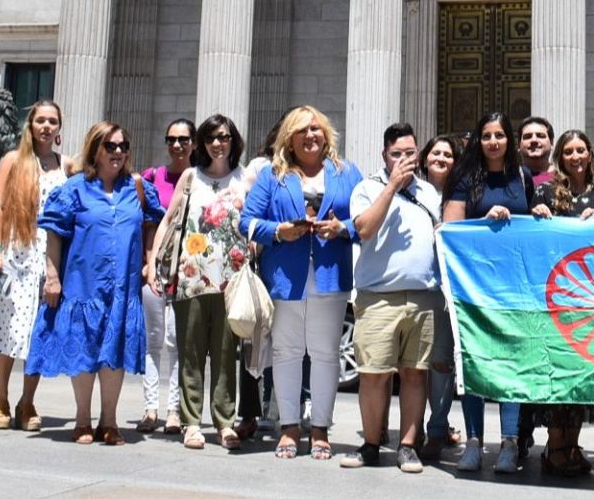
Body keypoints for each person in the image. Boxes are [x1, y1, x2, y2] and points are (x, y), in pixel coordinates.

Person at [25, 121, 164, 446]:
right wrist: (52, 275)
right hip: (82, 285)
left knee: (113, 353)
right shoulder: (74, 189)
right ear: (95, 150)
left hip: (122, 287)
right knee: (84, 351)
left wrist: (149, 261)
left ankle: (110, 421)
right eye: (110, 146)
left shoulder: (137, 187)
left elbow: (152, 224)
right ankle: (83, 418)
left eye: (123, 146)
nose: (118, 152)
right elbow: (55, 234)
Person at [242, 105, 362, 461]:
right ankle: (290, 427)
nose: (311, 136)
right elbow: (246, 220)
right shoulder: (272, 175)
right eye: (302, 131)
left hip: (331, 275)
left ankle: (321, 428)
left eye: (316, 129)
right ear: (289, 140)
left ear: (326, 134)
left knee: (326, 355)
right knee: (287, 352)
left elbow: (365, 219)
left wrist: (342, 229)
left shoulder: (346, 173)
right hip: (284, 277)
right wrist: (279, 231)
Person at [338, 122, 444, 474]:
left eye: (410, 153)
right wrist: (393, 187)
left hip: (423, 296)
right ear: (384, 155)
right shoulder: (367, 188)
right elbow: (364, 229)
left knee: (415, 374)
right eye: (397, 154)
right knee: (374, 374)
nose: (405, 159)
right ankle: (371, 444)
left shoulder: (430, 192)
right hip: (378, 296)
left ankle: (408, 445)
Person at [146, 114, 251, 451]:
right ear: (202, 144)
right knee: (190, 353)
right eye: (210, 138)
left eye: (223, 137)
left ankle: (224, 422)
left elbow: (254, 225)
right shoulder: (191, 177)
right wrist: (152, 266)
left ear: (233, 140)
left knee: (225, 355)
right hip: (191, 280)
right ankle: (192, 423)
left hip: (230, 283)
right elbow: (167, 221)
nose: (217, 144)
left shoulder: (243, 178)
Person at [0, 99, 71, 433]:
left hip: (49, 256)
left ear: (59, 128)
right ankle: (1, 398)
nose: (46, 126)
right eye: (40, 120)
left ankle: (28, 401)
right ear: (30, 125)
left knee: (37, 330)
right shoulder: (13, 160)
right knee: (7, 327)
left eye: (52, 121)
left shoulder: (64, 165)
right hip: (15, 251)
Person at [443, 111, 531, 475]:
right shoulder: (465, 177)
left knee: (513, 362)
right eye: (486, 136)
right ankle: (474, 442)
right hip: (475, 285)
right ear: (478, 141)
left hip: (515, 286)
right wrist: (483, 221)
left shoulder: (521, 176)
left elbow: (527, 224)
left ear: (509, 139)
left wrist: (536, 215)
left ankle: (509, 443)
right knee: (474, 359)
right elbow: (450, 228)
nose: (493, 141)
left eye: (499, 135)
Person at [524, 128, 594, 477]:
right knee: (556, 373)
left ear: (590, 154)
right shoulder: (545, 192)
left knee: (582, 376)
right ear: (560, 157)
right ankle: (554, 446)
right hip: (554, 300)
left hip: (590, 300)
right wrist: (537, 214)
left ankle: (572, 445)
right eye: (568, 151)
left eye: (580, 150)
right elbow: (530, 238)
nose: (575, 156)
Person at [137, 118, 191, 435]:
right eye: (171, 139)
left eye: (183, 139)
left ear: (193, 143)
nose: (177, 145)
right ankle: (149, 408)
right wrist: (147, 262)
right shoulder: (152, 177)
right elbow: (146, 224)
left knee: (177, 342)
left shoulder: (198, 178)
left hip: (185, 270)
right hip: (155, 267)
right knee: (153, 342)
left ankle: (174, 410)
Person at [418, 132, 465, 460]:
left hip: (448, 289)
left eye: (448, 155)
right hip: (417, 285)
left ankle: (437, 428)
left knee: (441, 361)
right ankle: (417, 427)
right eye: (436, 153)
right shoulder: (411, 191)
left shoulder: (461, 194)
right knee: (413, 365)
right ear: (425, 157)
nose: (442, 159)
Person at [518, 115, 555, 185]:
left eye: (540, 136)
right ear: (519, 144)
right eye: (528, 136)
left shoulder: (565, 179)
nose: (534, 140)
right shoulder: (510, 178)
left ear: (552, 143)